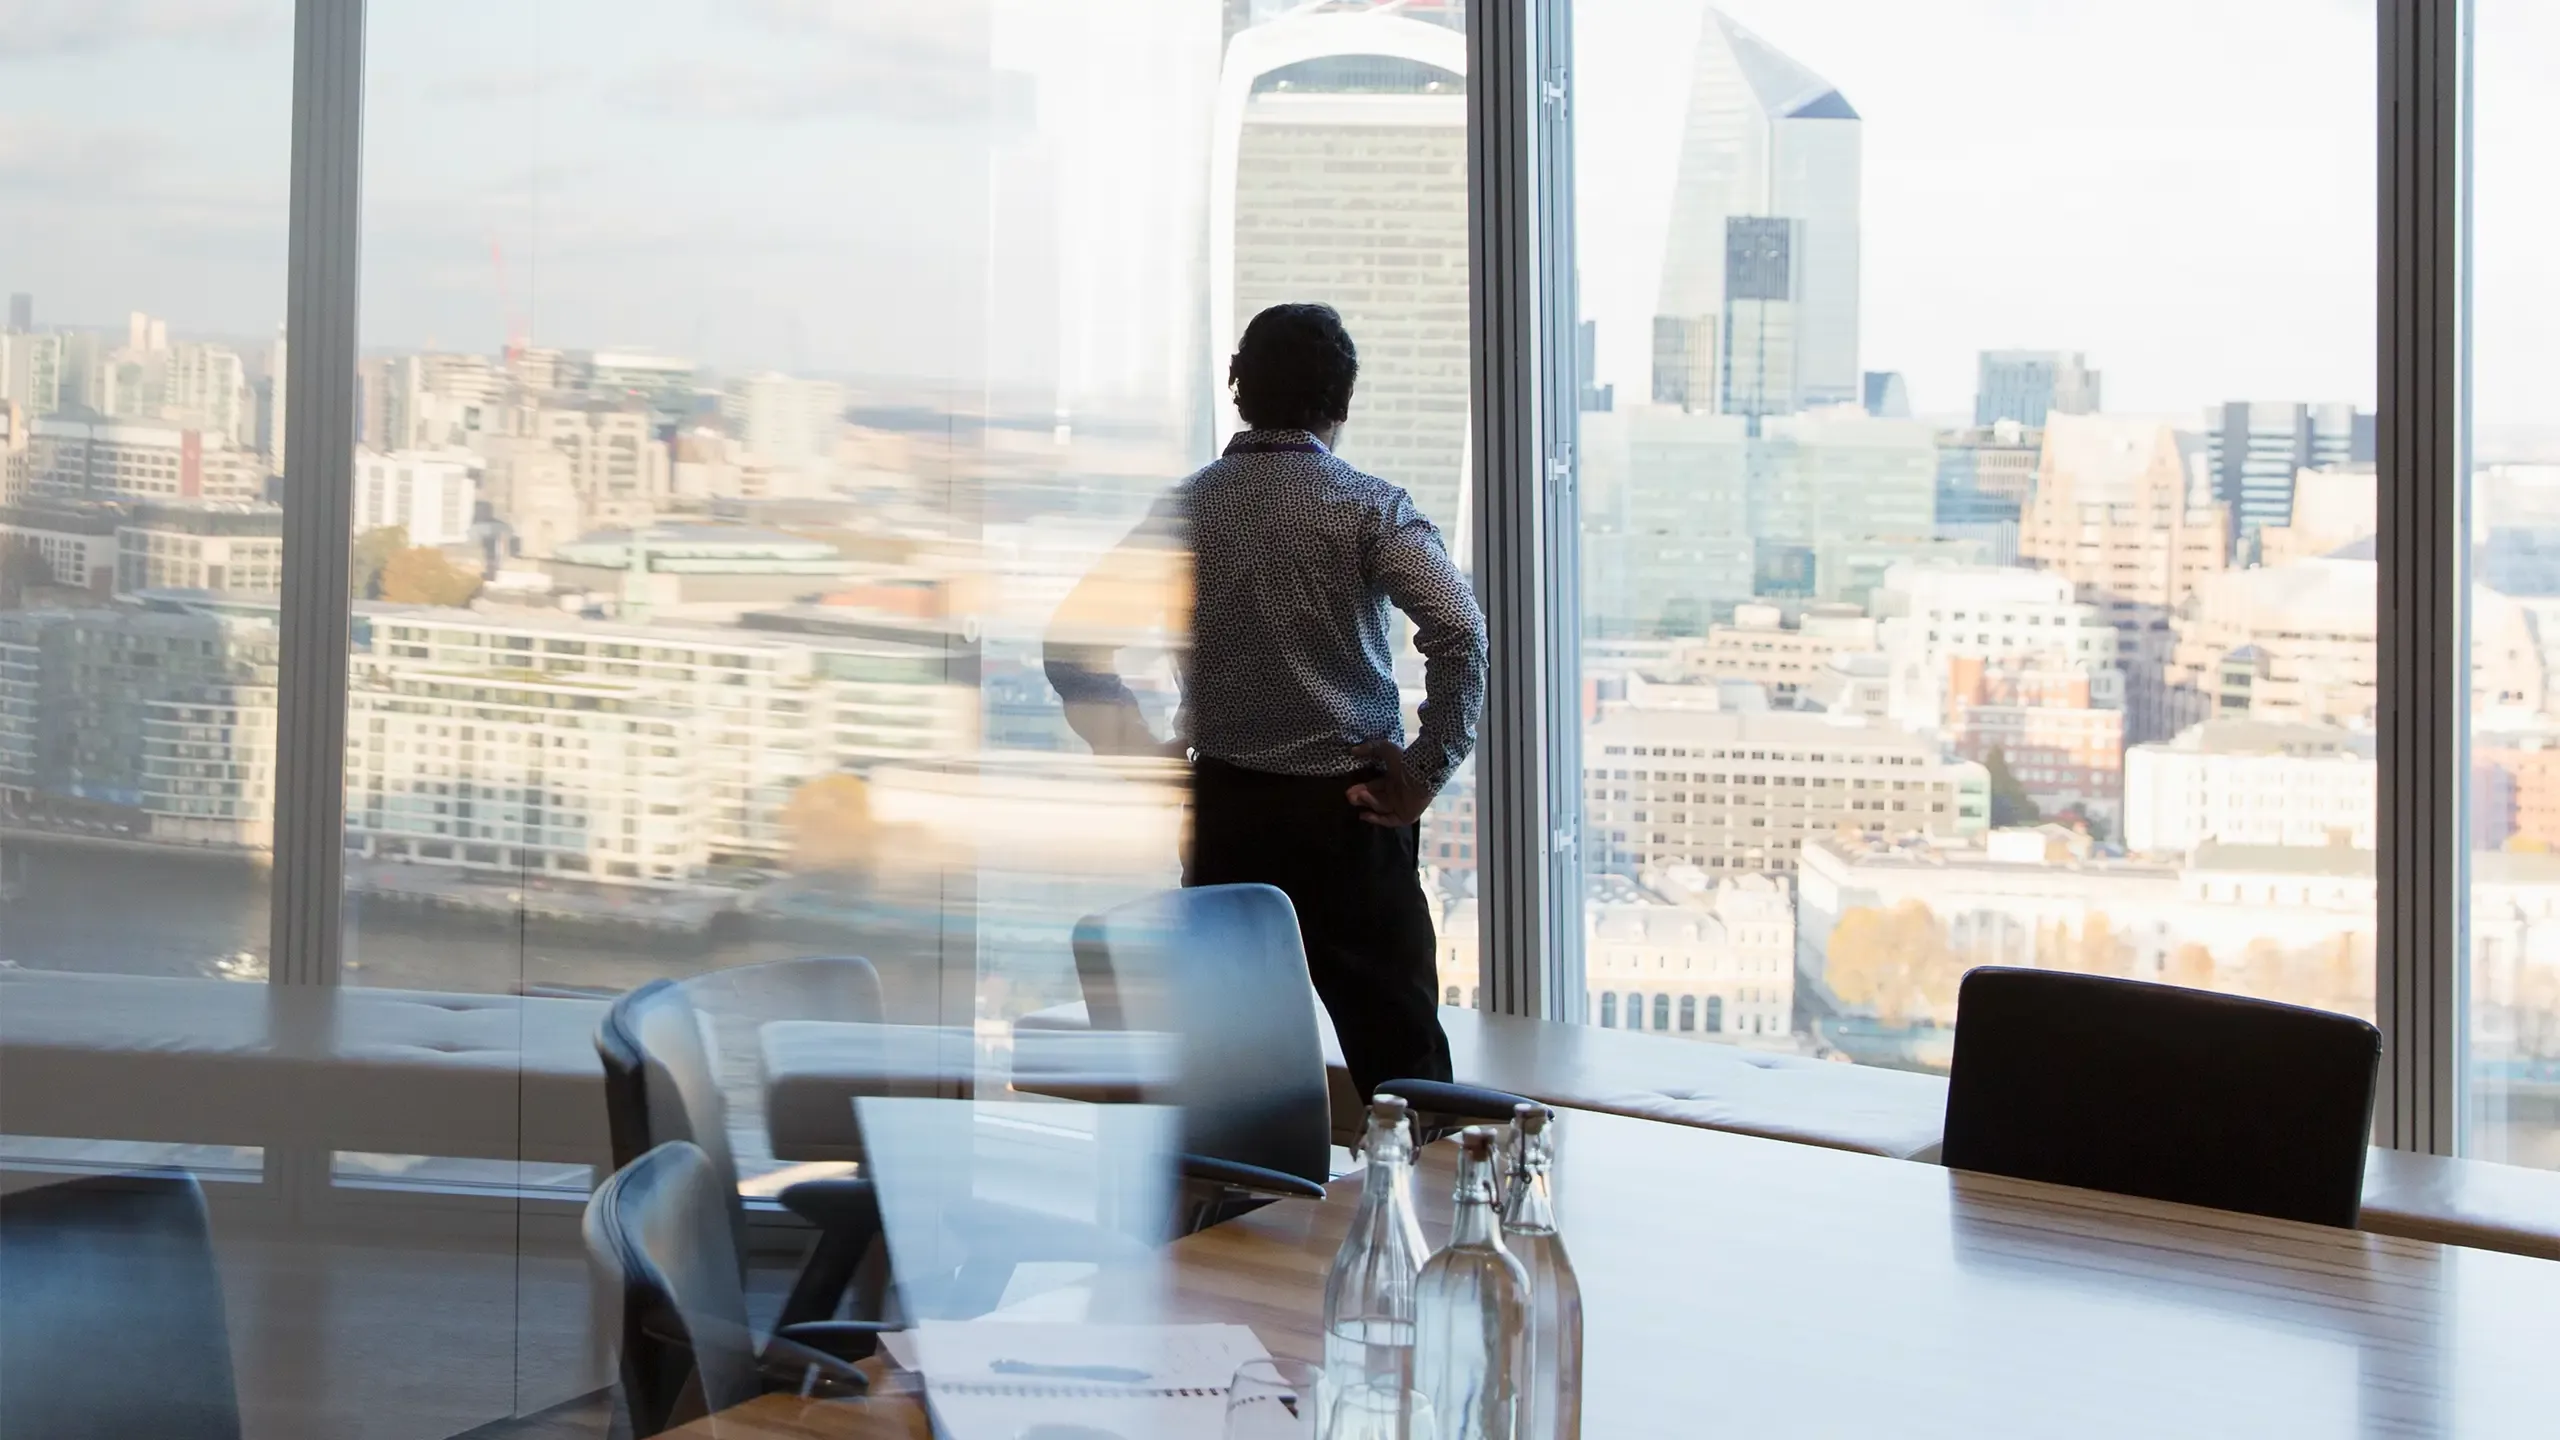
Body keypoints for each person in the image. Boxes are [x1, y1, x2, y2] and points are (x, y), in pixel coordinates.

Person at [1045, 302, 1487, 1102]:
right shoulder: (1370, 508)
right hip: (1351, 818)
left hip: (1225, 817)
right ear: (1341, 404)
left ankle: (1237, 1220)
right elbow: (1459, 631)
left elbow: (1071, 644)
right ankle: (1427, 1218)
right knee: (1406, 1069)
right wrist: (1425, 769)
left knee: (1231, 1074)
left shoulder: (1185, 511)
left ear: (1239, 391)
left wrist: (1137, 755)